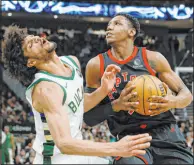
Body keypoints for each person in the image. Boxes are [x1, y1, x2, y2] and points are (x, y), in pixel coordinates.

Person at [2, 25, 152, 164]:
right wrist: (116, 148)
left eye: (33, 36)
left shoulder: (72, 62)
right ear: (31, 62)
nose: (35, 38)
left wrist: (103, 90)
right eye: (30, 45)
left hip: (78, 152)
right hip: (57, 159)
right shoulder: (45, 89)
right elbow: (64, 143)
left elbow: (76, 106)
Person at [84, 13, 193, 164]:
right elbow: (88, 118)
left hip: (166, 132)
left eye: (117, 23)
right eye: (109, 24)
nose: (109, 27)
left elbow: (187, 95)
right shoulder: (96, 66)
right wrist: (117, 105)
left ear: (132, 31)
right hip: (130, 137)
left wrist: (172, 102)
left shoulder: (153, 59)